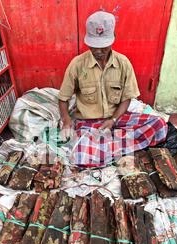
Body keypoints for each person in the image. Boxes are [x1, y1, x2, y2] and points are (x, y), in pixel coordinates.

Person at [57, 11, 167, 166]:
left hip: (117, 119)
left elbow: (127, 98)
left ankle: (106, 148)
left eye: (103, 47)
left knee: (160, 125)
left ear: (113, 37)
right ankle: (119, 146)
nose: (98, 51)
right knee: (81, 155)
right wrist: (66, 121)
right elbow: (63, 99)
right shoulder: (77, 64)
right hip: (89, 123)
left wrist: (113, 119)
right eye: (94, 46)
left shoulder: (123, 63)